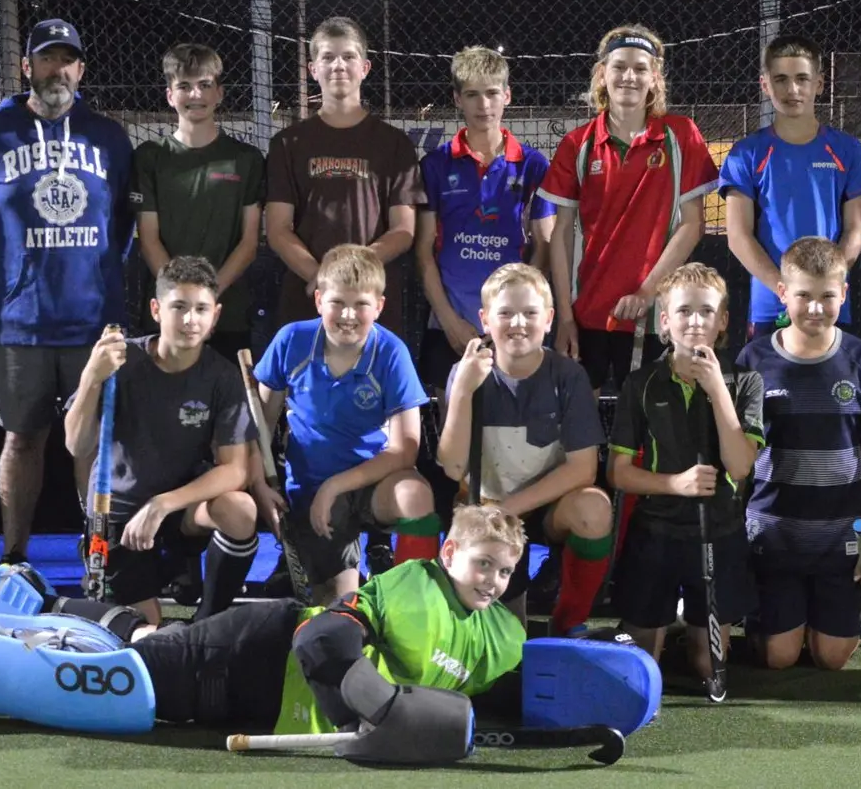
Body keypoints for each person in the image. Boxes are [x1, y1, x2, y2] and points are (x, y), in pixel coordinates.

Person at [0, 505, 526, 741]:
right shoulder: (412, 586)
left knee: (152, 642)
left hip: (250, 706)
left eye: (503, 570)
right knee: (120, 690)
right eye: (480, 563)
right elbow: (320, 641)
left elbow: (504, 687)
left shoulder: (499, 634)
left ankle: (27, 601)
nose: (491, 581)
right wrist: (376, 706)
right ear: (447, 555)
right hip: (255, 654)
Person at [0, 17, 136, 566]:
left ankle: (96, 552)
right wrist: (12, 275)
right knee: (23, 437)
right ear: (26, 67)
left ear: (81, 69)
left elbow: (124, 222)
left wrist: (94, 271)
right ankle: (13, 555)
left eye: (68, 60)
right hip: (19, 323)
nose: (58, 70)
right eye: (47, 59)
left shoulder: (108, 136)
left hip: (93, 321)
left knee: (91, 440)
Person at [63, 256, 259, 625]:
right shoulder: (121, 361)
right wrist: (91, 376)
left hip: (177, 509)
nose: (190, 320)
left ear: (215, 315)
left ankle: (207, 620)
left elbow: (235, 471)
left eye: (201, 309)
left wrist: (162, 504)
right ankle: (126, 577)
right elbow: (76, 444)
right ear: (156, 309)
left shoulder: (221, 376)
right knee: (145, 631)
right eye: (179, 307)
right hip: (118, 516)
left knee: (240, 509)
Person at [737, 237, 861, 670]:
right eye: (803, 296)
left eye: (827, 296)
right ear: (783, 293)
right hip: (774, 534)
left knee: (831, 658)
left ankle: (830, 617)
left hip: (842, 538)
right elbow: (738, 459)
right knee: (779, 657)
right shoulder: (753, 359)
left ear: (843, 294)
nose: (815, 308)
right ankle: (777, 619)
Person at [249, 245, 441, 603]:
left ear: (379, 307)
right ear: (319, 300)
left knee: (415, 494)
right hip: (310, 487)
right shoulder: (292, 340)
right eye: (337, 302)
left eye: (361, 305)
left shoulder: (391, 351)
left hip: (372, 481)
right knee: (340, 606)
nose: (348, 315)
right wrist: (259, 484)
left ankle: (417, 601)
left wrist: (336, 485)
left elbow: (405, 451)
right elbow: (257, 427)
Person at [538, 24, 718, 393]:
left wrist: (647, 292)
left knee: (645, 433)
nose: (629, 77)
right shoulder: (577, 144)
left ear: (655, 78)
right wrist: (566, 317)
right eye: (619, 67)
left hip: (653, 316)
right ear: (602, 74)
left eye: (640, 68)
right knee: (580, 429)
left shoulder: (681, 135)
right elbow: (561, 235)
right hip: (588, 313)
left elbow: (692, 224)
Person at [434, 263, 612, 636]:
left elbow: (583, 470)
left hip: (546, 507)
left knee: (595, 509)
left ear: (548, 319)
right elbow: (451, 467)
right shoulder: (466, 371)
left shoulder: (568, 376)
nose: (518, 323)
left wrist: (507, 511)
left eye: (530, 313)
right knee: (506, 639)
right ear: (484, 319)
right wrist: (464, 389)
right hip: (483, 504)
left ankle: (569, 621)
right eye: (505, 313)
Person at [608, 263, 763, 682]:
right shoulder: (640, 384)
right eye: (684, 311)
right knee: (641, 668)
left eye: (707, 312)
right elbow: (619, 473)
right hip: (656, 532)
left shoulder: (746, 382)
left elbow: (740, 465)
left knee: (706, 666)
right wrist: (674, 484)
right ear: (665, 320)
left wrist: (716, 389)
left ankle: (686, 624)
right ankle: (662, 621)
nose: (695, 321)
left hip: (720, 532)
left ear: (723, 320)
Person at [719, 34, 861, 343]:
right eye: (781, 79)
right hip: (772, 306)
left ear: (819, 84)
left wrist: (824, 286)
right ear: (765, 84)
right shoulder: (747, 153)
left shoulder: (846, 150)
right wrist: (784, 288)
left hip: (830, 305)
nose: (792, 89)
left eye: (802, 79)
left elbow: (855, 230)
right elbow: (738, 236)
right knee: (767, 392)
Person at [264, 16, 424, 336]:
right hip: (307, 302)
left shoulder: (394, 144)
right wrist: (324, 279)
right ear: (313, 70)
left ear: (364, 68)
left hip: (371, 307)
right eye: (328, 57)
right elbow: (278, 229)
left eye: (349, 56)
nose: (339, 65)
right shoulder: (287, 143)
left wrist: (353, 278)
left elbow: (403, 230)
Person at [414, 45, 556, 393]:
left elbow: (545, 246)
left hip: (512, 323)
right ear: (457, 99)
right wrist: (450, 321)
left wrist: (517, 316)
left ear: (507, 96)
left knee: (513, 424)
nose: (484, 104)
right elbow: (422, 252)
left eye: (492, 93)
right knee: (452, 423)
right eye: (473, 95)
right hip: (450, 322)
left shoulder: (533, 165)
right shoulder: (435, 165)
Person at [133, 43, 265, 362]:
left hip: (227, 315)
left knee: (228, 409)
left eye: (205, 85)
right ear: (170, 95)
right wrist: (178, 301)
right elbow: (148, 240)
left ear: (219, 93)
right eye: (184, 86)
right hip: (166, 315)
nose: (195, 95)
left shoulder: (245, 159)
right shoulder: (149, 158)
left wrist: (205, 300)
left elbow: (249, 244)